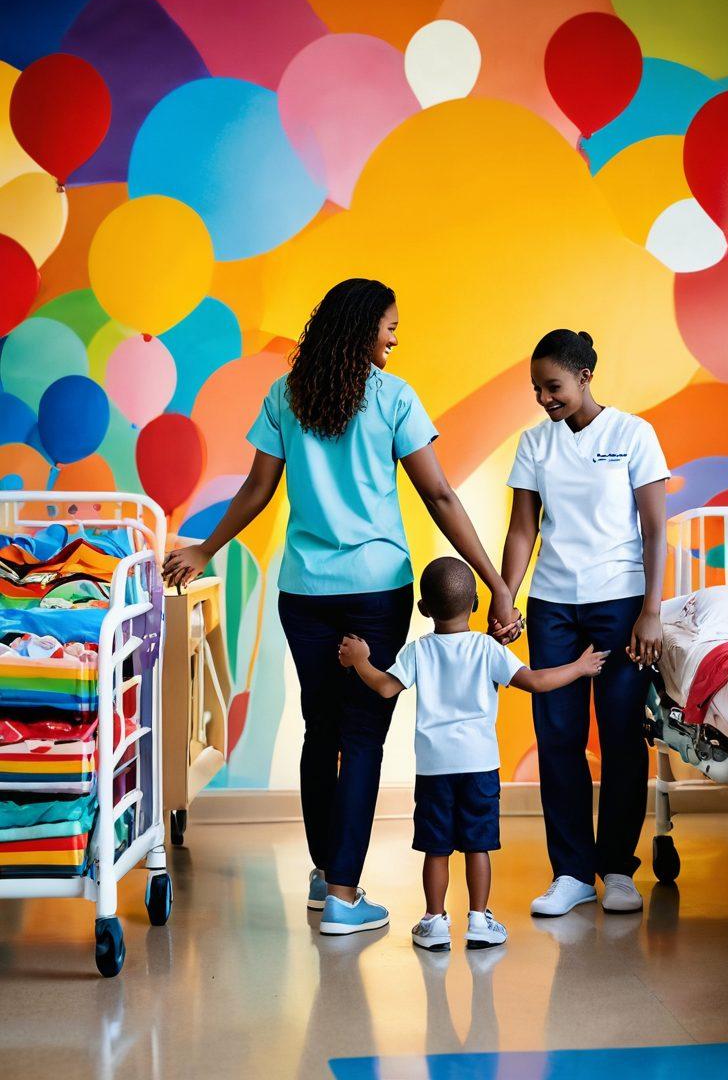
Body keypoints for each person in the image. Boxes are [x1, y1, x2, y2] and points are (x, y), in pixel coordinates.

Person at [162, 279, 521, 936]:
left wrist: (207, 548)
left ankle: (326, 872)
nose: (396, 335)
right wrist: (494, 583)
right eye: (389, 324)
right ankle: (344, 896)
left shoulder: (288, 395)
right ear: (362, 329)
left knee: (319, 730)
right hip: (375, 591)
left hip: (305, 593)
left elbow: (256, 490)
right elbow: (439, 495)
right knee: (360, 741)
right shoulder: (392, 398)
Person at [337, 556, 607, 950]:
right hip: (480, 768)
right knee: (477, 846)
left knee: (437, 847)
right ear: (477, 604)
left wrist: (360, 661)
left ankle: (433, 921)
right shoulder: (487, 648)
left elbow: (384, 687)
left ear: (423, 609)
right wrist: (580, 667)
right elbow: (535, 681)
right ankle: (479, 920)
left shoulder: (418, 651)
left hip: (434, 770)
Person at [497, 329, 669, 917]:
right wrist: (505, 594)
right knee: (558, 739)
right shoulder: (534, 445)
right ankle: (570, 871)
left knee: (621, 735)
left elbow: (656, 529)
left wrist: (651, 610)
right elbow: (523, 529)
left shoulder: (632, 434)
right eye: (537, 389)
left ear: (584, 377)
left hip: (621, 603)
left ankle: (617, 868)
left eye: (554, 387)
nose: (545, 399)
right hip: (552, 607)